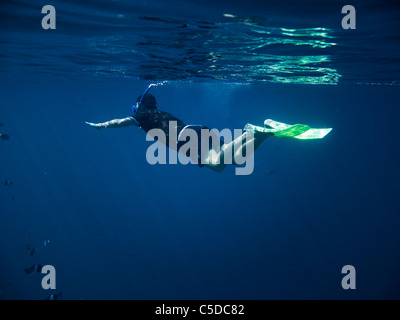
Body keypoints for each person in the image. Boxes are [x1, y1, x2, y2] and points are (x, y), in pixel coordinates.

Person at [86, 85, 332, 172]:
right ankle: (263, 132)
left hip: (185, 139)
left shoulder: (140, 116)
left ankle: (255, 132)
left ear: (138, 107)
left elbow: (119, 122)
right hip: (195, 130)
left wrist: (100, 126)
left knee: (219, 162)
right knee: (222, 164)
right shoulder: (158, 112)